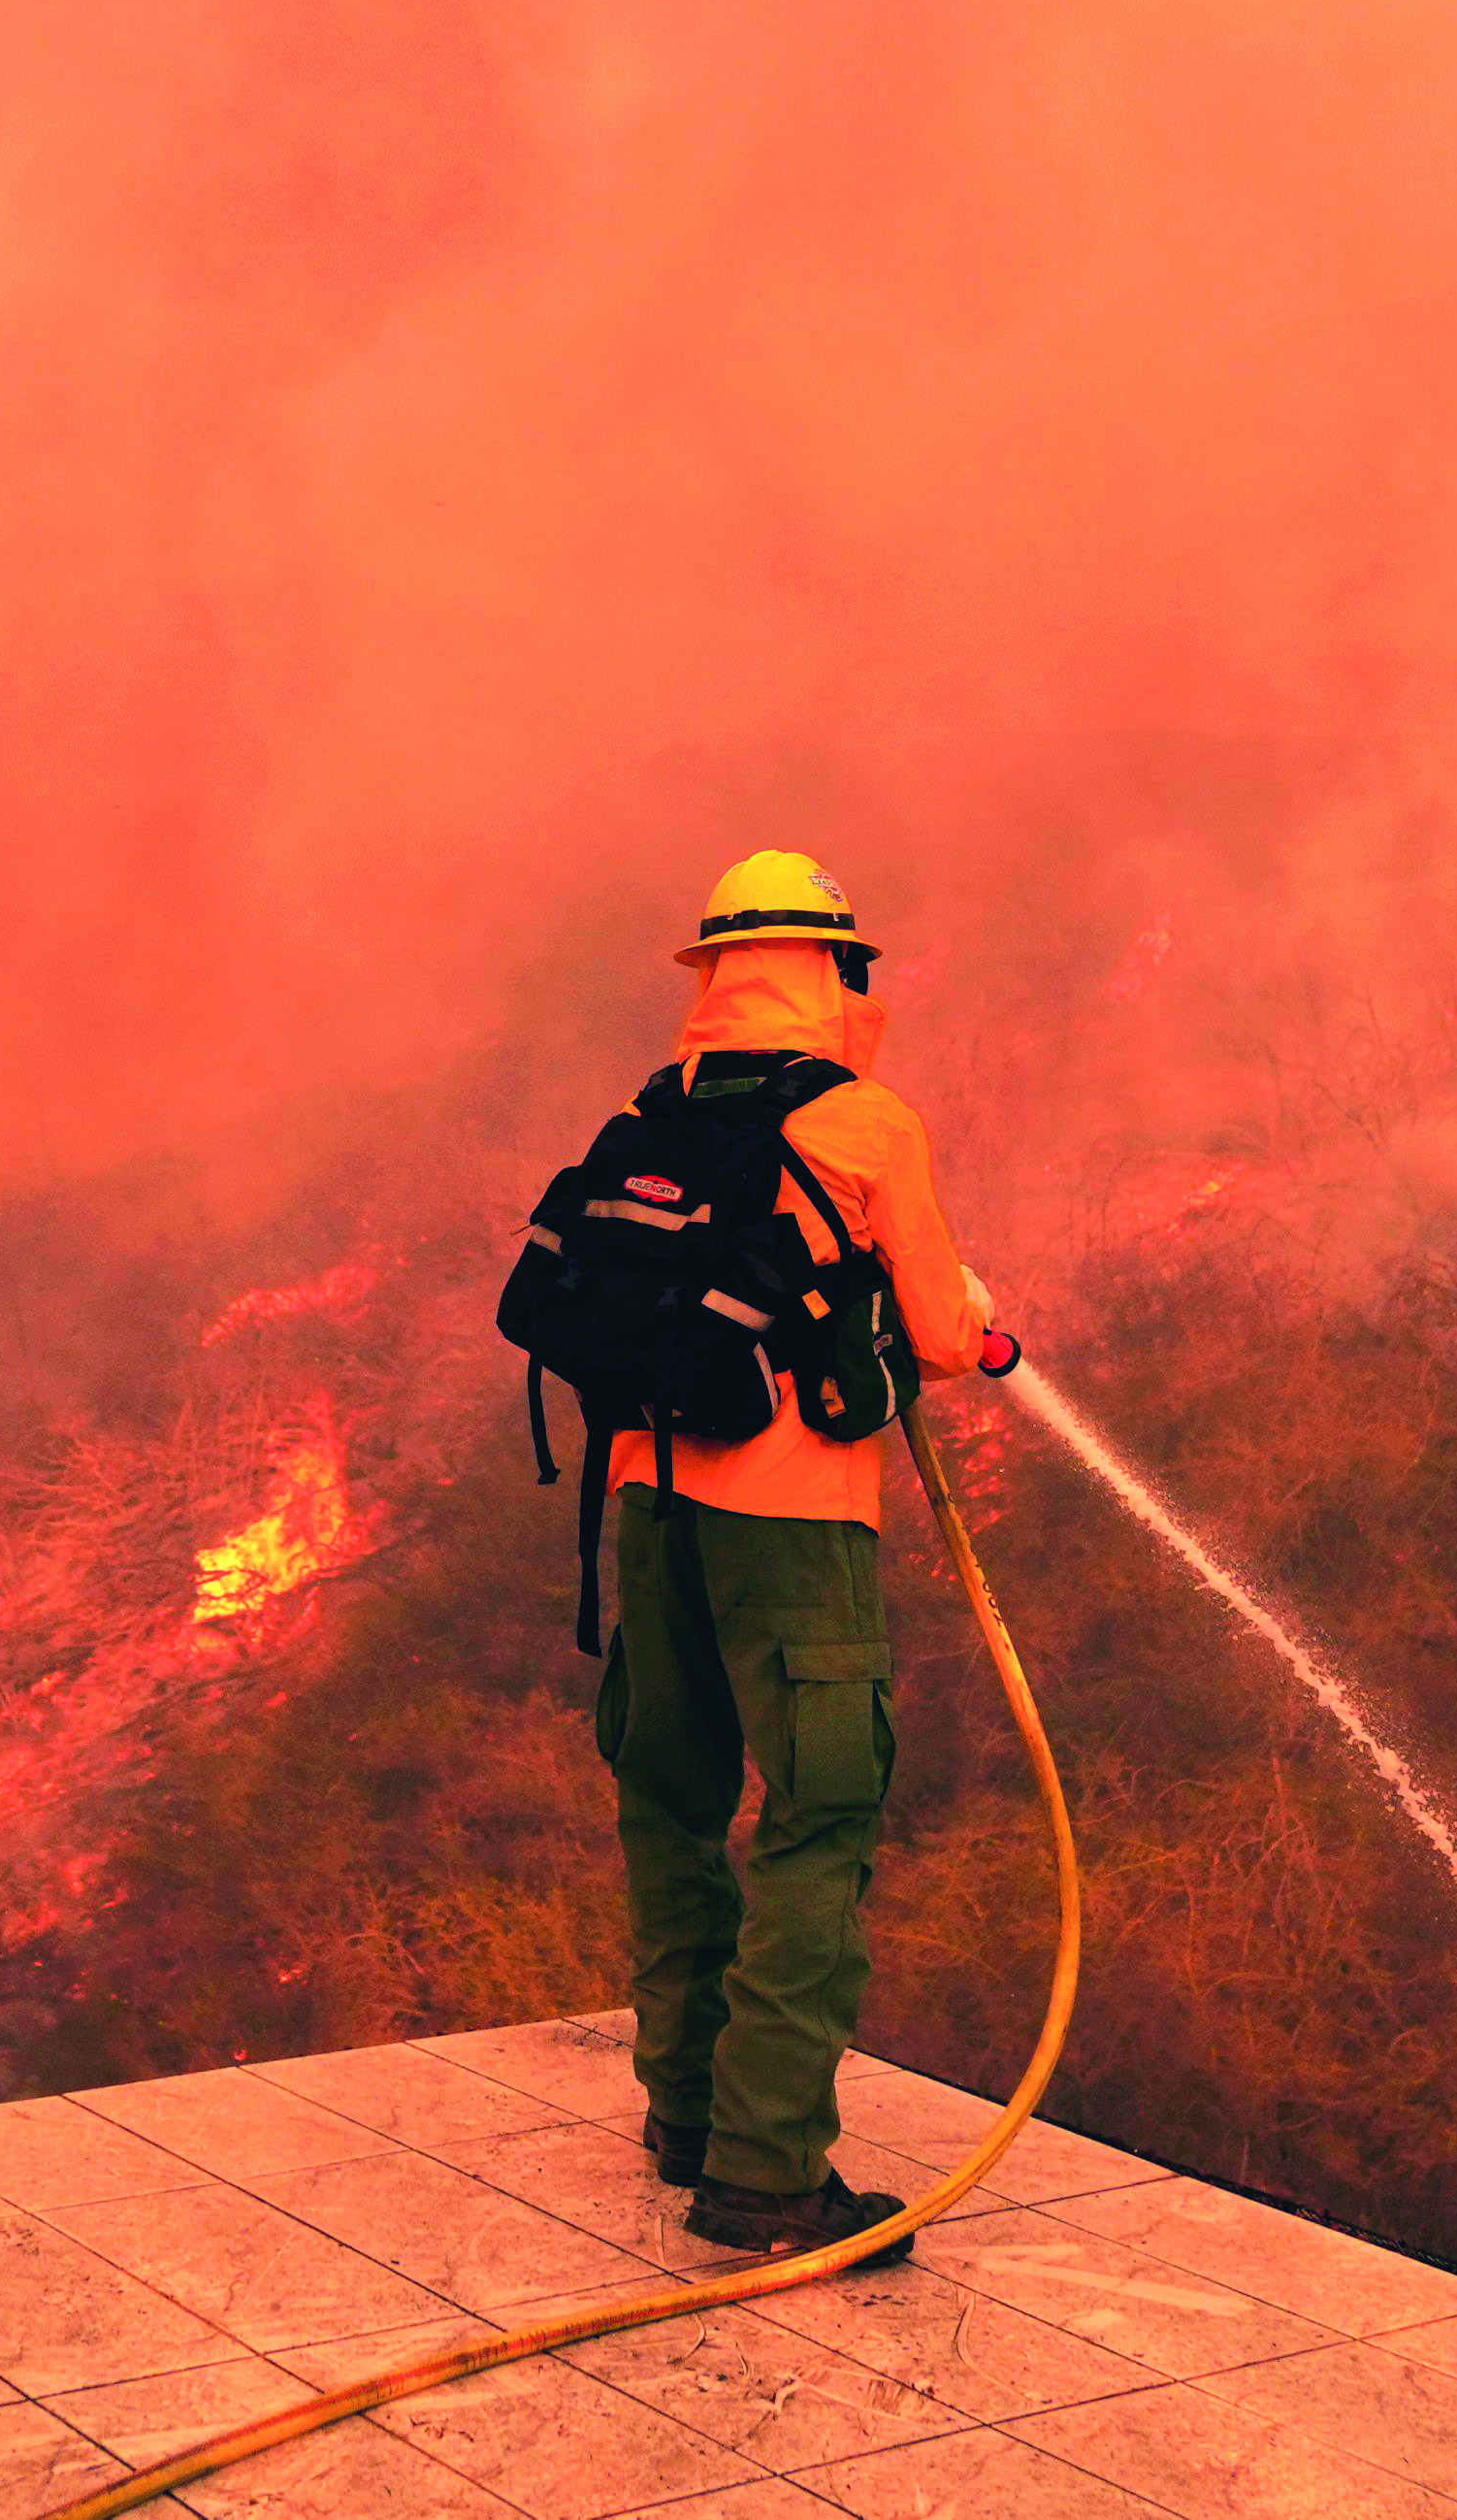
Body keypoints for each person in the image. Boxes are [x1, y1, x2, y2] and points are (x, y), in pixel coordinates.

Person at [596, 850, 1009, 2258]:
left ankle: (687, 2117)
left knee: (671, 1807)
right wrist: (982, 1331)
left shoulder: (653, 1117)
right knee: (819, 1822)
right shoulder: (865, 1123)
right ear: (834, 974)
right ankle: (770, 2177)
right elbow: (945, 1335)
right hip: (790, 1522)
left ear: (712, 975)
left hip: (645, 1512)